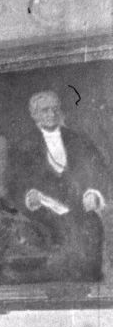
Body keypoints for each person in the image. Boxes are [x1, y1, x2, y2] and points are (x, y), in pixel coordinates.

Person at [6, 89, 109, 283]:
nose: (51, 114)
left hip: (79, 208)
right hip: (41, 213)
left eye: (55, 109)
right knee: (60, 239)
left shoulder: (77, 139)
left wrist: (93, 192)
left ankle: (88, 286)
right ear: (34, 114)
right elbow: (13, 184)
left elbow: (99, 170)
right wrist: (29, 197)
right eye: (45, 110)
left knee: (91, 228)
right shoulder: (23, 145)